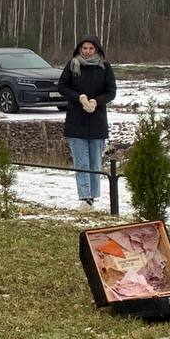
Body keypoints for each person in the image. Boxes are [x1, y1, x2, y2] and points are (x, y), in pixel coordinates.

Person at [58, 35, 116, 211]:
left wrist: (96, 101)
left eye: (91, 49)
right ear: (79, 49)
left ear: (97, 50)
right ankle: (85, 197)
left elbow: (111, 91)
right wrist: (79, 97)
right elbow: (62, 87)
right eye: (84, 48)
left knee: (95, 162)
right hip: (76, 120)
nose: (87, 52)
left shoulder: (104, 67)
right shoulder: (73, 65)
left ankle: (93, 196)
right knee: (81, 162)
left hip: (97, 120)